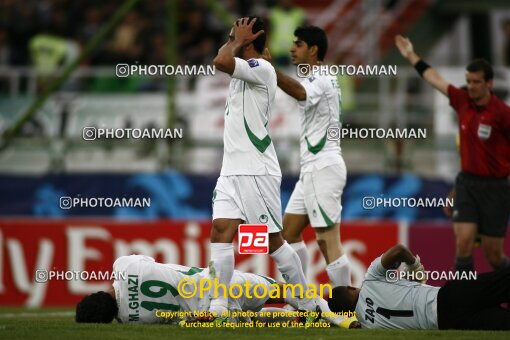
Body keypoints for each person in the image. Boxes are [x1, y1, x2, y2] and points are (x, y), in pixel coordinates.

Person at [209, 17, 318, 324]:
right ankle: (219, 304)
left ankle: (304, 300)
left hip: (256, 171)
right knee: (221, 232)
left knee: (270, 241)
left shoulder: (261, 69)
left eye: (235, 35)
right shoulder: (244, 72)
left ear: (249, 40)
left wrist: (237, 42)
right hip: (231, 171)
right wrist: (236, 40)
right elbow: (222, 56)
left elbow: (219, 59)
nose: (230, 38)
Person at [395, 35, 510, 273]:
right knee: (464, 243)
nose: (471, 86)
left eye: (476, 82)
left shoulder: (502, 114)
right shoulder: (462, 101)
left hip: (496, 188)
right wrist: (411, 55)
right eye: (468, 81)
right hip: (467, 183)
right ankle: (463, 299)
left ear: (489, 84)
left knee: (494, 255)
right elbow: (434, 79)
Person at [265, 25, 351, 287]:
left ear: (313, 50)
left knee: (327, 240)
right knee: (288, 233)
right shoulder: (320, 76)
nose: (292, 48)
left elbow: (301, 92)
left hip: (323, 167)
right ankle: (302, 298)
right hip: (311, 171)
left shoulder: (320, 77)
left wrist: (271, 71)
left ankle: (345, 306)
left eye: (299, 44)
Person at [75, 255, 358, 328]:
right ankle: (335, 315)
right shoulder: (123, 267)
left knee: (272, 320)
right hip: (219, 282)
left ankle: (312, 318)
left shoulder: (130, 320)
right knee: (286, 291)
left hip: (211, 314)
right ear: (95, 294)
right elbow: (150, 264)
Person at [328, 244, 510, 330]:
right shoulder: (370, 280)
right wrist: (414, 265)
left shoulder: (369, 328)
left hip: (448, 323)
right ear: (351, 289)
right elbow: (399, 250)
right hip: (449, 297)